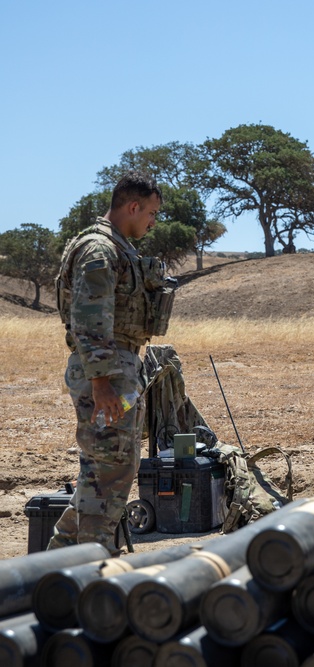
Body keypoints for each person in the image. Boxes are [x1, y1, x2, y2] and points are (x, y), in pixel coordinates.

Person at [48, 171, 174, 555]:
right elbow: (88, 320)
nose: (153, 222)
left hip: (118, 370)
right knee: (109, 473)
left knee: (106, 471)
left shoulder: (118, 248)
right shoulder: (100, 250)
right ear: (132, 206)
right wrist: (102, 382)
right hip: (105, 375)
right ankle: (89, 569)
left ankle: (53, 567)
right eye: (151, 213)